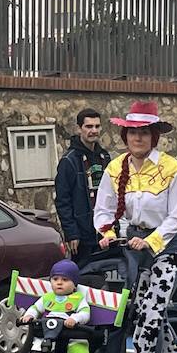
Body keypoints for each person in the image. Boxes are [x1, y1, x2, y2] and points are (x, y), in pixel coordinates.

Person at [93, 99, 177, 353]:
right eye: (132, 133)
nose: (138, 138)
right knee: (147, 316)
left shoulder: (172, 169)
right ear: (125, 137)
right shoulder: (115, 168)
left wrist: (150, 241)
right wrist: (107, 232)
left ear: (154, 135)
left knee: (149, 320)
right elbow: (103, 209)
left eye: (144, 132)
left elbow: (176, 218)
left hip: (167, 249)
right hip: (133, 248)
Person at [4, 258, 93, 353]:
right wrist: (29, 316)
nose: (59, 282)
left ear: (74, 284)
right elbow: (35, 308)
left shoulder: (78, 298)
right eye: (55, 278)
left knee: (80, 352)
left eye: (65, 279)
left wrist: (75, 318)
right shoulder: (47, 297)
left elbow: (85, 313)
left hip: (70, 336)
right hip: (48, 335)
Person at [55, 108, 111, 266]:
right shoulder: (69, 161)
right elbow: (62, 200)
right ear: (79, 128)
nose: (94, 131)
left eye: (97, 126)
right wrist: (71, 233)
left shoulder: (105, 157)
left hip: (104, 234)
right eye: (89, 126)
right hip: (82, 237)